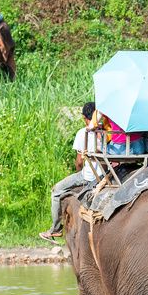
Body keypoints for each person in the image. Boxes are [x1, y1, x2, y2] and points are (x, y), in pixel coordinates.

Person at [40, 102, 102, 242]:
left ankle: (55, 229)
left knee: (56, 191)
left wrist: (79, 173)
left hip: (89, 176)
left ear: (84, 118)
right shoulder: (106, 133)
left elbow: (79, 162)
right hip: (104, 175)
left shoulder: (83, 133)